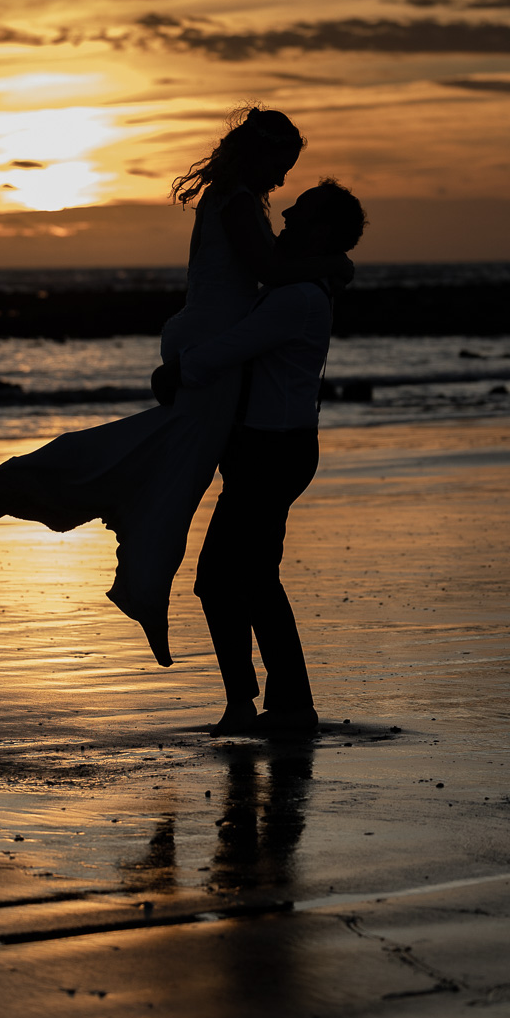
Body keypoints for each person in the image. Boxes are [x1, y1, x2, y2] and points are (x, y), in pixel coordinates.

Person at [0, 106, 352, 667]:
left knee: (166, 472)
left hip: (201, 346)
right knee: (160, 474)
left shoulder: (230, 200)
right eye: (281, 166)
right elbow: (271, 273)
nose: (282, 182)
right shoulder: (237, 205)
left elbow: (251, 279)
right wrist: (334, 266)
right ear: (258, 155)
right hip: (210, 355)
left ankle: (120, 576)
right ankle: (127, 581)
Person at [152, 180, 367, 738]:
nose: (287, 213)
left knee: (225, 581)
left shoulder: (296, 297)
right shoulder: (299, 288)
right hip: (271, 449)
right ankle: (269, 704)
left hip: (273, 451)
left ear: (319, 230)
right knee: (249, 578)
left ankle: (267, 704)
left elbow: (230, 348)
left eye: (302, 213)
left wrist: (176, 370)